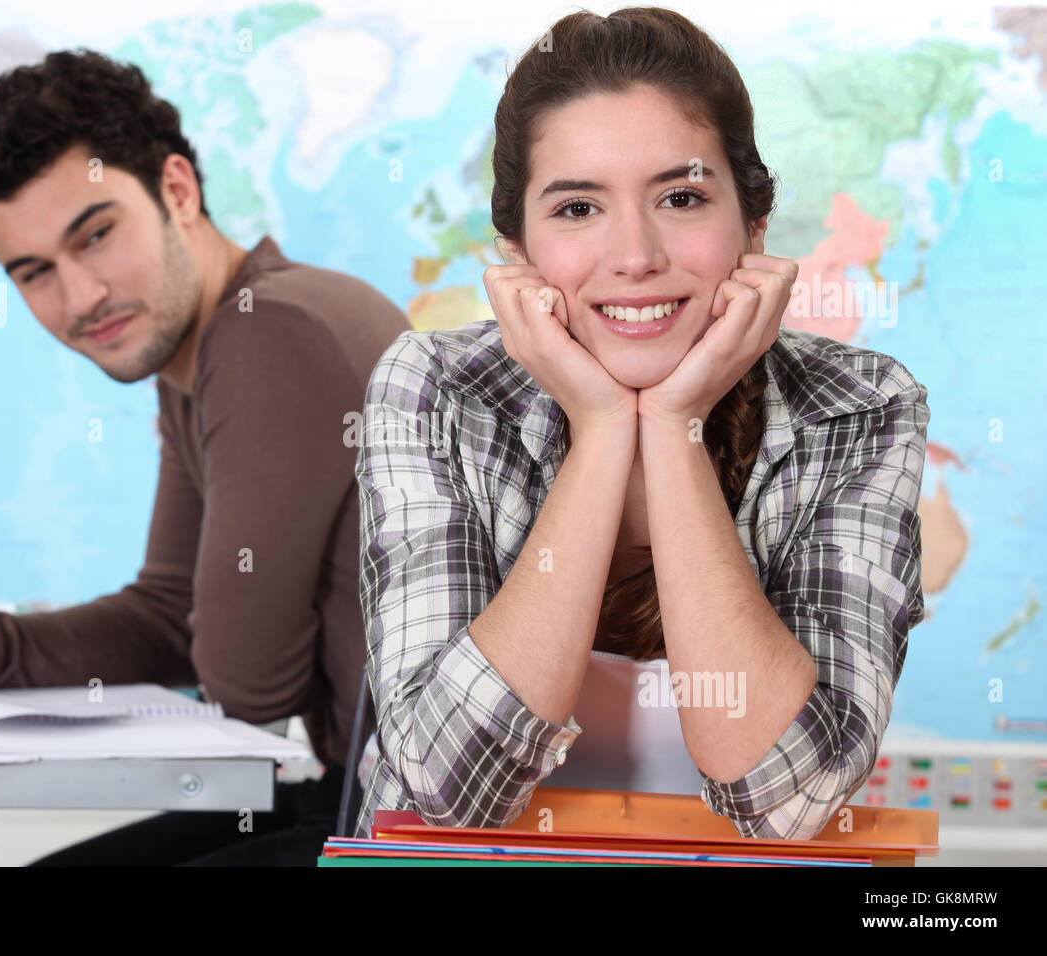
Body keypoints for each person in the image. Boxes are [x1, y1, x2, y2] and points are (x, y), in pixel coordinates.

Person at [0, 49, 410, 864]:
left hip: (420, 829)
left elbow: (251, 687)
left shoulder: (269, 335)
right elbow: (167, 611)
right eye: (36, 272)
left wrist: (219, 623)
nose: (82, 297)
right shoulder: (204, 350)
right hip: (357, 802)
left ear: (177, 191)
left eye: (97, 235)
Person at [353, 7, 929, 841]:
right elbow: (447, 798)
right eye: (578, 209)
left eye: (682, 197)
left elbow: (789, 803)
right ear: (517, 253)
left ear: (753, 226)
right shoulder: (437, 391)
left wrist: (671, 424)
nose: (634, 255)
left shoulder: (857, 406)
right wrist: (599, 432)